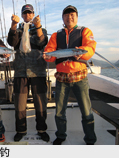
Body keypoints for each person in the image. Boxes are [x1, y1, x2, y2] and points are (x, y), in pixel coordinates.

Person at [43, 5, 97, 145]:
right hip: (62, 77)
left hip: (80, 77)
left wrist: (82, 51)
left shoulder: (85, 31)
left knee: (86, 111)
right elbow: (50, 51)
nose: (69, 17)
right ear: (63, 18)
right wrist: (47, 56)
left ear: (77, 17)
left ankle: (90, 139)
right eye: (66, 15)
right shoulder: (56, 35)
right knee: (59, 111)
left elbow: (90, 47)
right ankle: (61, 135)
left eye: (72, 14)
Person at [7, 4, 49, 142]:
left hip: (38, 73)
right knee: (19, 104)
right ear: (22, 15)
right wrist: (13, 25)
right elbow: (11, 42)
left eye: (30, 13)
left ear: (33, 14)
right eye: (25, 13)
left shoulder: (41, 30)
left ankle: (42, 129)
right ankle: (21, 130)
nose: (27, 15)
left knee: (40, 104)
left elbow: (42, 42)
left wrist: (37, 27)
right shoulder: (17, 30)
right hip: (20, 72)